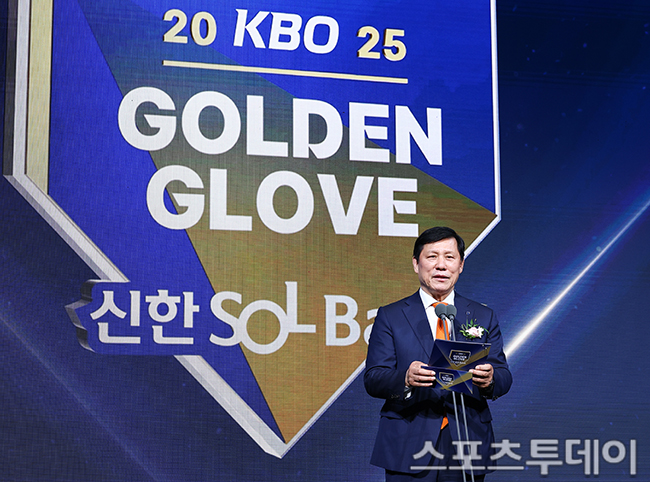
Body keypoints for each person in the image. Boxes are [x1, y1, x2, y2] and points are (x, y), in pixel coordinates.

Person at [365, 226, 512, 482]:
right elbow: (374, 378)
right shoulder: (391, 315)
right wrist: (405, 378)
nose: (441, 265)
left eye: (449, 257)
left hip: (468, 438)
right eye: (432, 256)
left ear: (461, 265)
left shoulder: (482, 315)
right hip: (409, 440)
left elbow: (503, 376)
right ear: (416, 264)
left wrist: (490, 380)